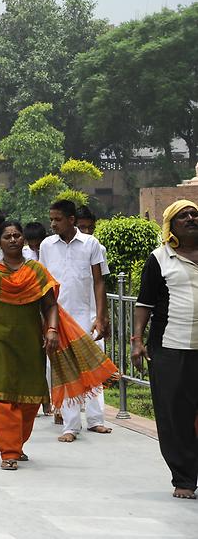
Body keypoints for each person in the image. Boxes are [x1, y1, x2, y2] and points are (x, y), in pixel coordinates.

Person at [0, 220, 117, 470]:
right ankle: (8, 450)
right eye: (7, 236)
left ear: (22, 239)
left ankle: (17, 444)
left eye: (16, 235)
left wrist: (52, 330)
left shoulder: (37, 272)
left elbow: (50, 304)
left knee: (30, 398)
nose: (13, 240)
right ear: (0, 241)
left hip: (32, 341)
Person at [132, 200, 198, 500]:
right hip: (171, 346)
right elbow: (145, 303)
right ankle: (184, 477)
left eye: (195, 214)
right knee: (174, 414)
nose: (191, 218)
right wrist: (136, 340)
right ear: (170, 225)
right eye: (183, 216)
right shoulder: (160, 258)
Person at [39, 199, 111, 442]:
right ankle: (70, 426)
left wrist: (101, 317)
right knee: (65, 369)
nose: (53, 224)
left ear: (71, 220)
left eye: (58, 219)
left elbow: (99, 282)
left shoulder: (92, 244)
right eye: (52, 219)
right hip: (58, 316)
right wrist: (46, 320)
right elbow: (44, 283)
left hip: (86, 315)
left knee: (92, 366)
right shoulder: (47, 246)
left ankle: (96, 420)